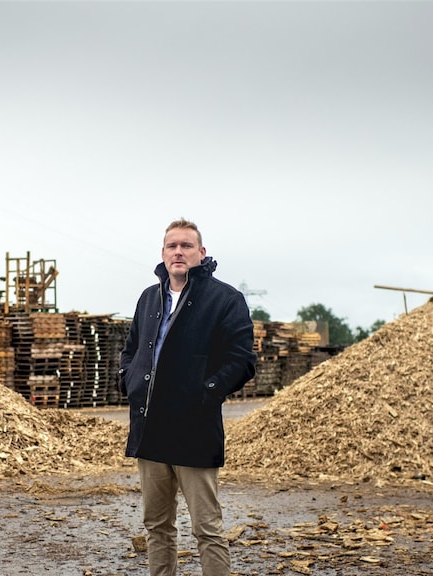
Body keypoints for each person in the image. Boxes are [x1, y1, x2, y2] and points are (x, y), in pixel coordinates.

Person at [118, 218, 257, 576]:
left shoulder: (225, 299)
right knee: (157, 526)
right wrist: (128, 381)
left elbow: (241, 360)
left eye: (186, 246)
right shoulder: (149, 297)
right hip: (150, 430)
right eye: (171, 246)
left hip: (194, 429)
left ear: (201, 252)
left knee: (207, 529)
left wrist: (205, 393)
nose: (178, 252)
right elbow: (131, 348)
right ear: (163, 253)